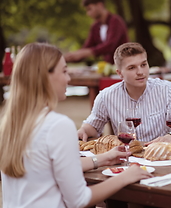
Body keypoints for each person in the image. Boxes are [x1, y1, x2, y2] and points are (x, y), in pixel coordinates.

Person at [0, 43, 152, 208]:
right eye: (64, 71)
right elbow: (79, 200)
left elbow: (48, 168)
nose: (69, 79)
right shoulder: (57, 125)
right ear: (45, 77)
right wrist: (126, 177)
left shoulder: (10, 124)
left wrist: (103, 158)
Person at [77, 42, 171, 144]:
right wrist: (83, 130)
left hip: (162, 156)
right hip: (127, 158)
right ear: (120, 73)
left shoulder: (166, 89)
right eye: (132, 68)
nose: (140, 72)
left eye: (143, 65)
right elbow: (93, 126)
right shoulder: (106, 96)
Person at [64, 0, 129, 64]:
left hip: (125, 66)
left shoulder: (116, 21)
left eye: (89, 9)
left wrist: (86, 52)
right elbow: (86, 48)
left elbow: (110, 45)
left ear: (100, 5)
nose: (88, 13)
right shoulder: (95, 27)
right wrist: (70, 57)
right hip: (108, 68)